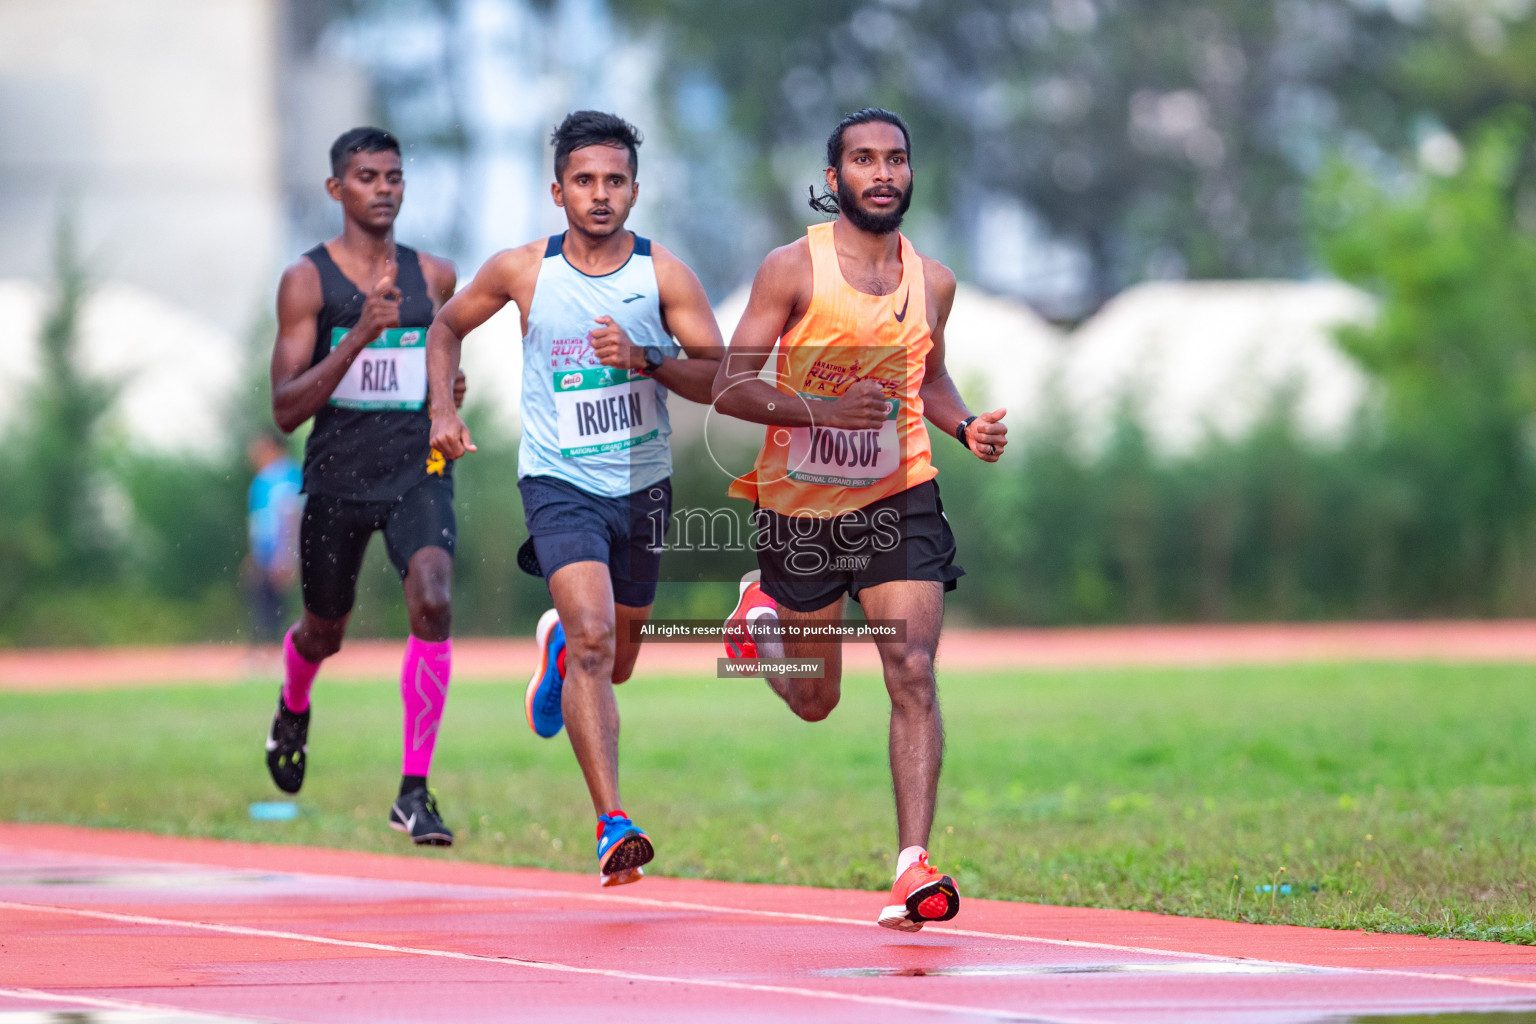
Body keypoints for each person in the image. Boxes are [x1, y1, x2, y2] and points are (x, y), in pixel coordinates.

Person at [712, 108, 1009, 931]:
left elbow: (930, 379)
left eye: (896, 159)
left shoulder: (934, 281)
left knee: (911, 668)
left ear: (911, 174)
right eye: (864, 159)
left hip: (899, 492)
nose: (882, 173)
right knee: (816, 702)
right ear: (835, 175)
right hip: (801, 510)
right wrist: (822, 409)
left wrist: (966, 425)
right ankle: (759, 623)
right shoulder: (790, 270)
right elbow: (730, 388)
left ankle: (914, 865)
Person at [426, 111, 723, 886]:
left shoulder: (664, 276)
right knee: (597, 640)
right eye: (585, 181)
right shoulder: (524, 270)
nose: (600, 194)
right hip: (559, 482)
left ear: (634, 189)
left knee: (615, 661)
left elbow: (724, 376)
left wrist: (648, 358)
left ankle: (558, 649)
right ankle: (611, 822)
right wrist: (442, 411)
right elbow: (444, 327)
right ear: (557, 190)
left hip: (643, 486)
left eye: (615, 181)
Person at [265, 126, 468, 846]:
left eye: (393, 176)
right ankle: (293, 704)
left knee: (435, 598)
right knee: (324, 632)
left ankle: (414, 792)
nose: (383, 189)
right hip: (336, 478)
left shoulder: (437, 276)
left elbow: (446, 371)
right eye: (366, 177)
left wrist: (449, 400)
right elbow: (285, 409)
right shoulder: (308, 281)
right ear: (336, 189)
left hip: (417, 470)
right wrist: (357, 335)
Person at [244, 431, 303, 647]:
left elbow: (289, 515)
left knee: (277, 603)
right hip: (264, 551)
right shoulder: (263, 479)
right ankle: (264, 646)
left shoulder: (285, 475)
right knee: (261, 597)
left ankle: (277, 648)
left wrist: (285, 555)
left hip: (280, 551)